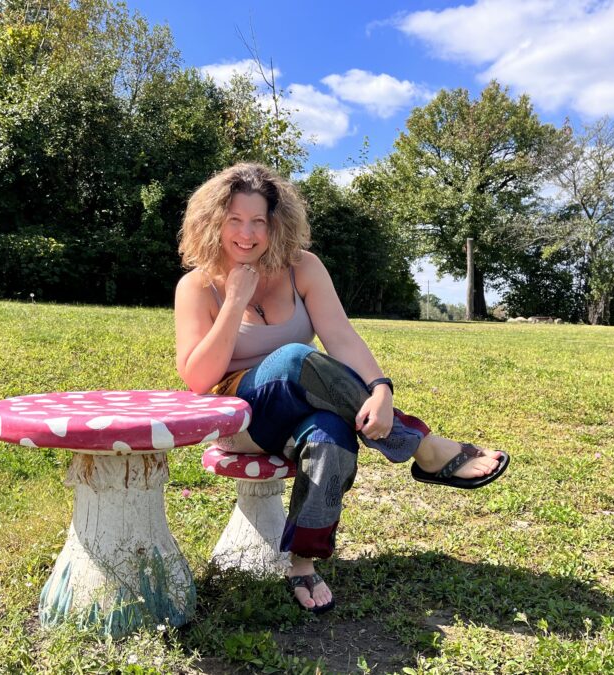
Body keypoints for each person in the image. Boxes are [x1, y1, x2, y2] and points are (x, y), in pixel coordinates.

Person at [174, 163, 509, 614]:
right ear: (214, 222)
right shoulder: (197, 285)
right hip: (242, 417)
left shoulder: (303, 268)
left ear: (277, 223)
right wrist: (234, 301)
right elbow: (196, 379)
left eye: (259, 221)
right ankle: (424, 447)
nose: (247, 234)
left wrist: (381, 389)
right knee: (294, 356)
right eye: (234, 220)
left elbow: (342, 338)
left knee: (332, 433)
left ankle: (303, 563)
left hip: (307, 400)